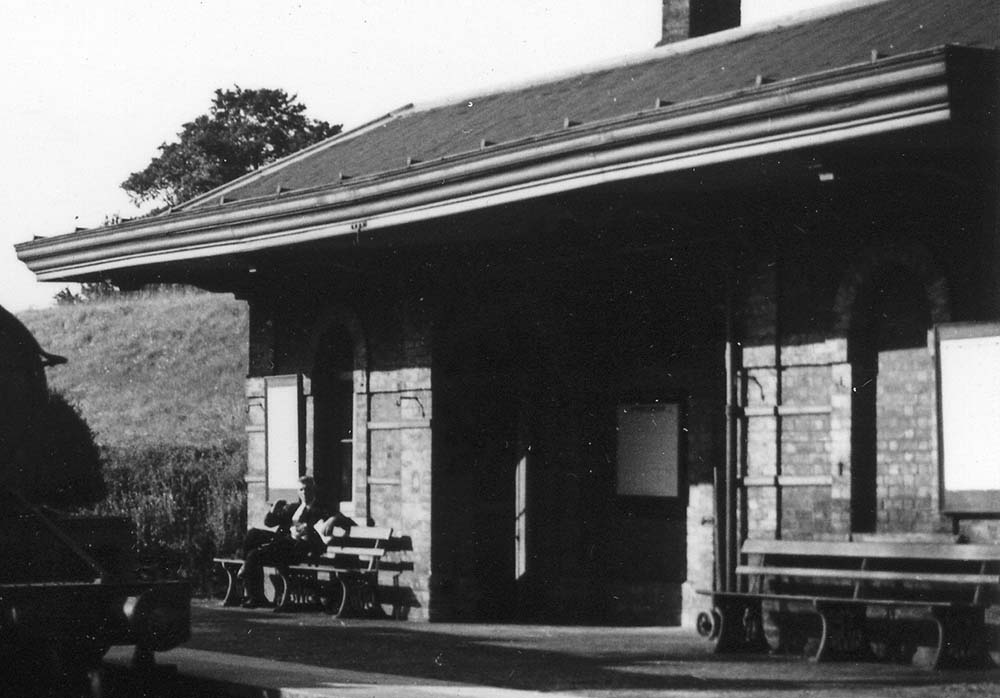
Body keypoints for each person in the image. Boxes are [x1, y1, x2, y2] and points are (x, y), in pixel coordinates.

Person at [238, 475, 355, 607]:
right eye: (301, 490)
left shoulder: (322, 509)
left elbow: (349, 521)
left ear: (313, 490)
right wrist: (273, 510)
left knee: (254, 555)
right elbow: (269, 523)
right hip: (285, 543)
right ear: (297, 492)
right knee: (253, 533)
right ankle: (245, 566)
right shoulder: (294, 508)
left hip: (301, 549)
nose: (304, 493)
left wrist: (332, 519)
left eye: (307, 489)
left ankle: (256, 597)